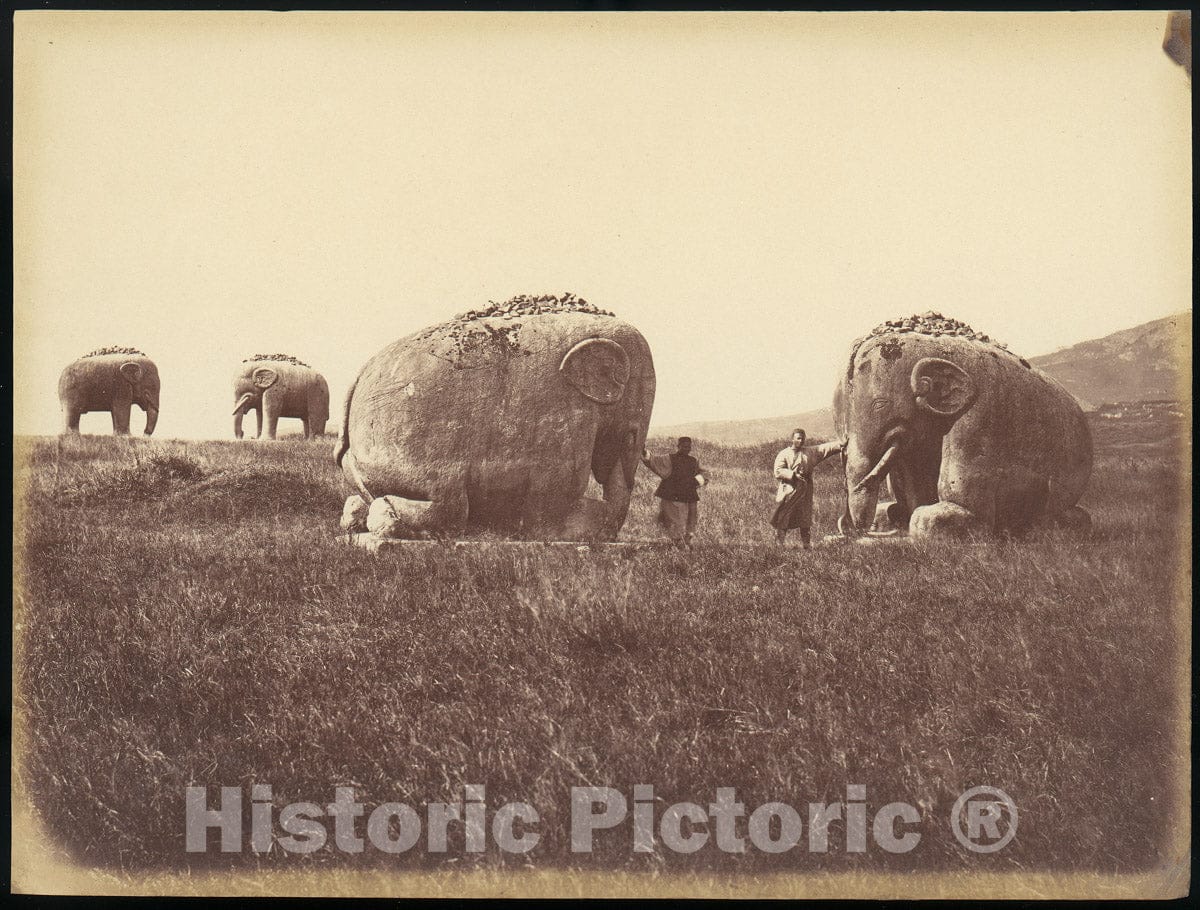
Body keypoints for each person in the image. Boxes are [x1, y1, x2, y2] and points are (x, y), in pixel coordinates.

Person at [771, 428, 846, 548]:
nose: (801, 441)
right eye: (798, 438)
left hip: (805, 490)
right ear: (792, 439)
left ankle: (806, 545)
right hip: (789, 489)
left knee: (805, 518)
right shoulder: (784, 454)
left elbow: (824, 449)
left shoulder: (810, 452)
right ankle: (779, 545)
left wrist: (840, 444)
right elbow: (778, 471)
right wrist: (793, 475)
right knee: (784, 516)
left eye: (803, 438)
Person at [642, 437, 709, 547]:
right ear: (678, 446)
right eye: (684, 446)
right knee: (676, 520)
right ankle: (677, 543)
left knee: (690, 519)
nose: (687, 449)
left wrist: (696, 480)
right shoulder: (670, 458)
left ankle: (686, 542)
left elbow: (704, 473)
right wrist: (644, 452)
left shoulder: (694, 461)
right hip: (673, 495)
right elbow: (654, 461)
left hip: (689, 495)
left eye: (689, 446)